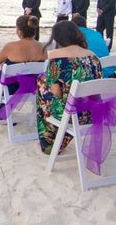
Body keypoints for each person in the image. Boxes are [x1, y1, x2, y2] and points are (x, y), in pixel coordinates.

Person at [36, 20, 103, 154]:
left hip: (69, 113)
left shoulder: (55, 56)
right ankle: (59, 139)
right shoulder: (93, 56)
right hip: (90, 112)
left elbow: (56, 93)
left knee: (41, 86)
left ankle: (50, 143)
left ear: (57, 38)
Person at [0, 15, 46, 120]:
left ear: (19, 31)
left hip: (10, 88)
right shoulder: (43, 47)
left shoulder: (10, 47)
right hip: (33, 88)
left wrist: (4, 65)